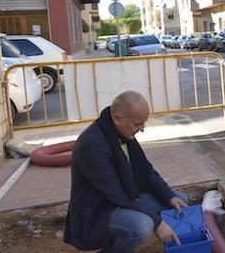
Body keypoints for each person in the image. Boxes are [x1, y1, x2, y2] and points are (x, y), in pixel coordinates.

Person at [64, 91, 188, 252]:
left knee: (179, 201)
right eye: (137, 124)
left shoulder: (120, 130)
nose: (142, 129)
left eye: (143, 123)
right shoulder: (92, 146)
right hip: (99, 210)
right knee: (142, 226)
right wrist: (158, 223)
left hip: (125, 198)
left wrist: (169, 196)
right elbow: (117, 196)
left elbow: (146, 171)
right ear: (117, 118)